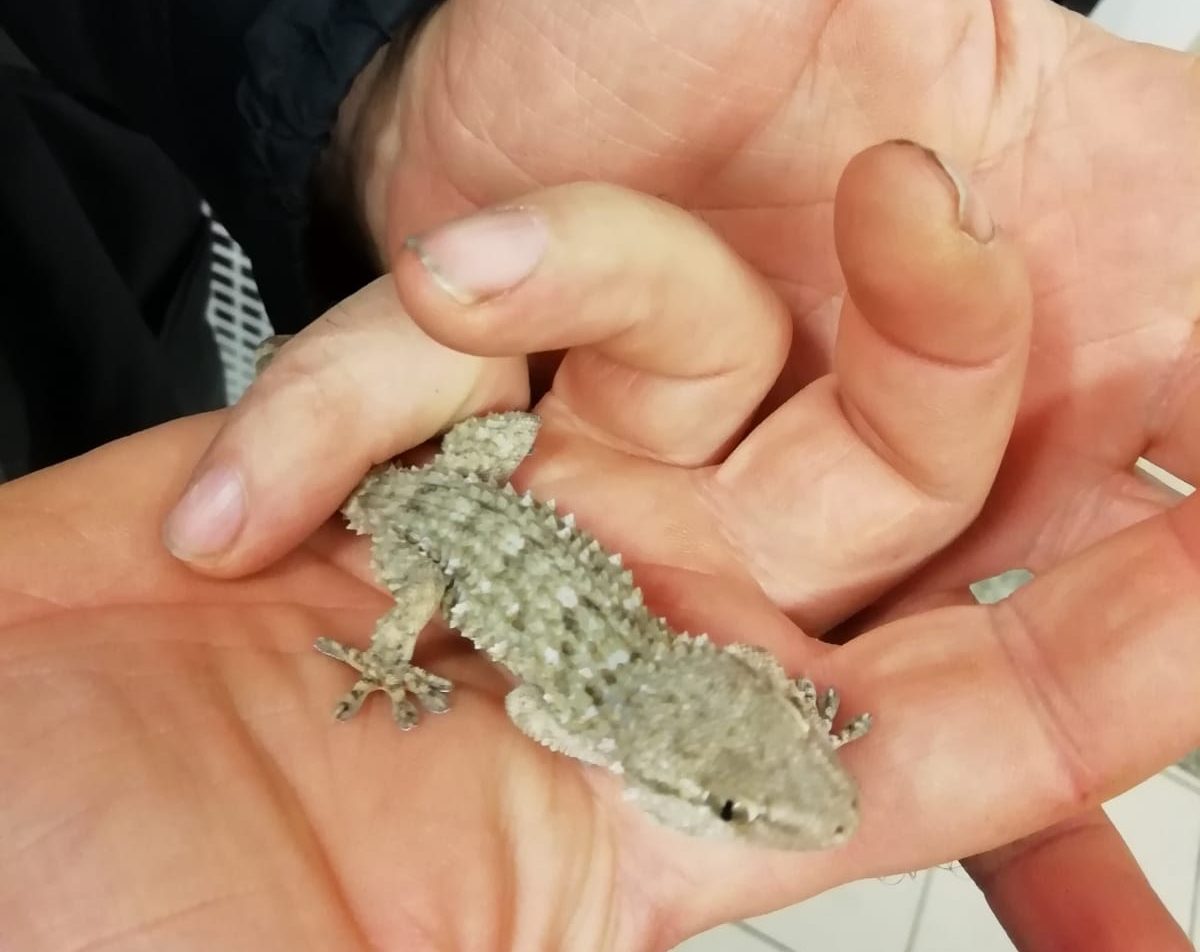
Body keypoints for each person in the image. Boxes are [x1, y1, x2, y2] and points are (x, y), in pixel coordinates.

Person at [1, 0, 1197, 948]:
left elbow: (650, 685)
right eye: (737, 806)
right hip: (382, 484)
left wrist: (388, 88)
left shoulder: (636, 683)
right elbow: (530, 700)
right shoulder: (576, 705)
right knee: (435, 503)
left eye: (749, 796)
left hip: (142, 231)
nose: (790, 810)